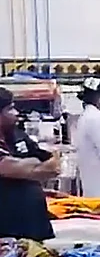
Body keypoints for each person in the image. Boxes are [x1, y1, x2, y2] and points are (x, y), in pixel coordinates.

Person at [0, 87, 58, 241]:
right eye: (10, 108)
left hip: (34, 223)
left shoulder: (18, 135)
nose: (16, 113)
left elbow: (54, 165)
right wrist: (33, 165)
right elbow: (22, 170)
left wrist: (30, 166)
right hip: (7, 226)